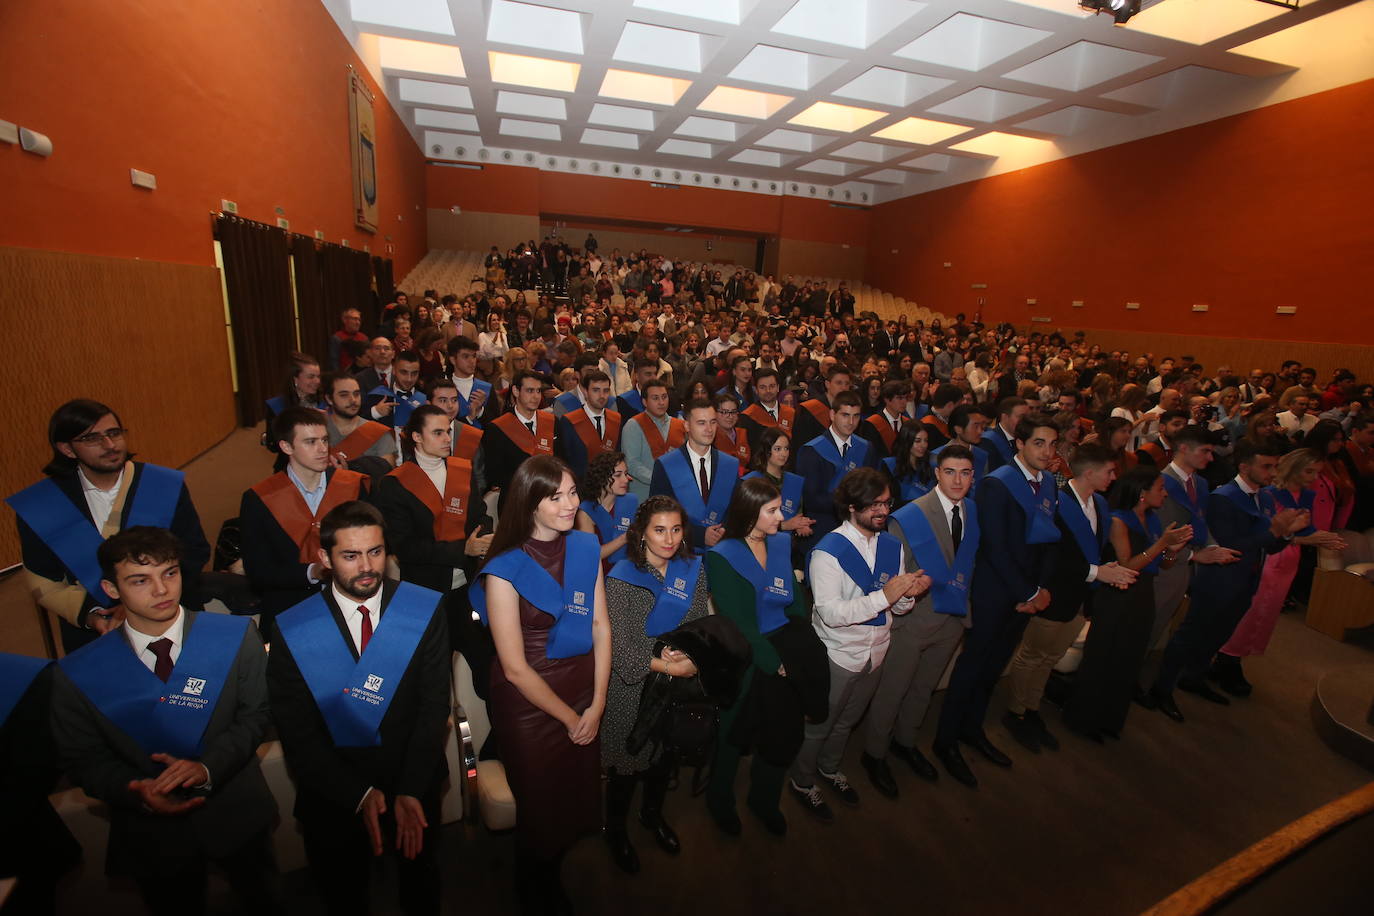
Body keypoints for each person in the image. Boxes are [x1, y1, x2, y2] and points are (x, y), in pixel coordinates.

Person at [52, 526, 279, 916]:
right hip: (151, 833)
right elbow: (83, 759)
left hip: (236, 812)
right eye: (140, 580)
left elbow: (257, 715)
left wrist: (208, 768)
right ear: (110, 589)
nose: (161, 590)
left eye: (169, 573)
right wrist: (133, 789)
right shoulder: (79, 673)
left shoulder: (235, 636)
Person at [267, 501, 450, 916]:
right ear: (324, 559)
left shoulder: (423, 608)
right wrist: (358, 793)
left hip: (413, 784)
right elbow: (297, 731)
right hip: (335, 795)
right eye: (350, 556)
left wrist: (408, 788)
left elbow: (434, 704)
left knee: (421, 891)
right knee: (344, 896)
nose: (366, 566)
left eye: (375, 552)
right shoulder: (294, 627)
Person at [468, 456, 611, 913]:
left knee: (573, 801)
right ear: (529, 503)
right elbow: (513, 668)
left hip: (584, 690)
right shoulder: (505, 567)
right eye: (556, 497)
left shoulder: (586, 547)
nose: (570, 504)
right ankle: (532, 891)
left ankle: (550, 875)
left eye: (572, 493)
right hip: (530, 705)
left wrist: (598, 704)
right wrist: (572, 718)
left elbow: (602, 629)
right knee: (539, 810)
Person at [8, 399, 211, 653]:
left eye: (114, 433)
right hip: (94, 629)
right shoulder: (42, 504)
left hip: (170, 616)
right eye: (92, 438)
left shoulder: (163, 485)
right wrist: (95, 616)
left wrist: (140, 605)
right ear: (67, 449)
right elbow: (43, 579)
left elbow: (194, 550)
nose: (110, 445)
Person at [788, 468, 928, 821]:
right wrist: (885, 596)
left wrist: (907, 596)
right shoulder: (827, 552)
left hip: (876, 649)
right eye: (873, 504)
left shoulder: (892, 546)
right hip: (838, 653)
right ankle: (802, 780)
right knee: (821, 722)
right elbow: (832, 614)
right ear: (852, 506)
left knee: (848, 720)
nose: (882, 511)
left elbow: (896, 606)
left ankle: (830, 768)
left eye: (886, 502)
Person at [933, 414, 1060, 787]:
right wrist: (1028, 592)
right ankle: (946, 741)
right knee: (972, 666)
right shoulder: (997, 484)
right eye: (1039, 443)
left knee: (993, 669)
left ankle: (972, 729)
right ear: (1019, 444)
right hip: (994, 592)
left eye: (1053, 444)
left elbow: (1051, 539)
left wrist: (1041, 589)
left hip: (1027, 595)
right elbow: (996, 548)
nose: (1047, 451)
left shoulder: (1049, 482)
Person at [1148, 441, 1310, 721]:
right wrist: (1275, 531)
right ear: (1245, 467)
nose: (1272, 473)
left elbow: (1266, 547)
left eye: (1275, 466)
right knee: (1190, 634)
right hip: (1218, 578)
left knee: (1219, 633)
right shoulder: (1225, 497)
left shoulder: (1264, 498)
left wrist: (1284, 534)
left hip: (1246, 579)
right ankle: (1162, 689)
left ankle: (1194, 677)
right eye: (1266, 466)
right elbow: (1232, 544)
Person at [704, 477, 826, 837]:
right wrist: (776, 663)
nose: (781, 516)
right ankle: (720, 800)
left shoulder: (778, 545)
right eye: (772, 510)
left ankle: (764, 800)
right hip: (745, 656)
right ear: (749, 512)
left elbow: (795, 600)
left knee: (782, 731)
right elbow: (739, 622)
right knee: (733, 734)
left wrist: (800, 647)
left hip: (783, 646)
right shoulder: (722, 556)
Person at [601, 496, 710, 872]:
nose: (669, 539)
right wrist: (665, 665)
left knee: (663, 758)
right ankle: (614, 830)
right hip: (631, 689)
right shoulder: (620, 577)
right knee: (626, 765)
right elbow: (616, 647)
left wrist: (691, 657)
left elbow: (697, 624)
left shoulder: (691, 569)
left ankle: (651, 815)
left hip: (674, 689)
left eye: (676, 530)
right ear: (641, 534)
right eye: (659, 530)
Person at [863, 445, 977, 794]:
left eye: (966, 473)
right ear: (937, 473)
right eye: (950, 472)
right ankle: (874, 753)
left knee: (923, 688)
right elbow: (891, 573)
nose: (958, 480)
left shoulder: (972, 510)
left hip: (953, 618)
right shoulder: (909, 516)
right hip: (913, 621)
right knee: (893, 691)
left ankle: (906, 741)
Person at [1064, 468, 1191, 741]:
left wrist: (1171, 551)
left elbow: (1163, 565)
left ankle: (1110, 718)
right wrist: (1161, 546)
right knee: (1103, 657)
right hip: (1117, 594)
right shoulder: (1119, 520)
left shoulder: (1153, 520)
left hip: (1143, 595)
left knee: (1129, 658)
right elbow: (1128, 565)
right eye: (1160, 488)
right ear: (1142, 494)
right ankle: (1085, 719)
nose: (1165, 493)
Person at [1215, 449, 1345, 694]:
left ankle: (1234, 658)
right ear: (1293, 468)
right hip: (1270, 556)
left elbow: (1304, 530)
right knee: (1250, 611)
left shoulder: (1306, 494)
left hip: (1289, 559)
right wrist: (1311, 539)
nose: (1314, 477)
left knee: (1266, 614)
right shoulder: (1271, 494)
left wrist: (1319, 537)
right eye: (1309, 471)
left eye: (1317, 472)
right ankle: (1227, 659)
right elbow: (1269, 534)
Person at [239, 407, 367, 631]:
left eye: (325, 440)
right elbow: (258, 571)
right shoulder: (259, 499)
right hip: (290, 609)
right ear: (286, 446)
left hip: (351, 607)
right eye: (310, 442)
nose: (322, 449)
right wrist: (311, 572)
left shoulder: (352, 486)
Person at [371, 405, 493, 595]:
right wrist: (463, 549)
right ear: (417, 437)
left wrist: (483, 539)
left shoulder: (461, 470)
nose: (447, 439)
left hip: (468, 579)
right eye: (438, 433)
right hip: (425, 585)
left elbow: (481, 516)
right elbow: (404, 547)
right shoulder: (395, 483)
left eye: (448, 431)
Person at [650, 398, 740, 552]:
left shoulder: (729, 465)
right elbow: (657, 515)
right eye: (701, 423)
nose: (709, 429)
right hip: (681, 553)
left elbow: (737, 509)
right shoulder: (666, 465)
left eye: (713, 422)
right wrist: (699, 535)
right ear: (686, 426)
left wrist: (724, 530)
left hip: (722, 551)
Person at [796, 391, 879, 541]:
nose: (851, 422)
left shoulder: (866, 448)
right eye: (845, 415)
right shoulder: (812, 450)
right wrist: (850, 504)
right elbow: (811, 499)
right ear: (832, 415)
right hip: (823, 529)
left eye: (856, 416)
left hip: (859, 528)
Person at [482, 369, 556, 496]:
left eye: (538, 391)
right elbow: (494, 474)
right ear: (516, 391)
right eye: (530, 391)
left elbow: (562, 460)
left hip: (550, 494)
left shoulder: (553, 422)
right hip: (515, 498)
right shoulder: (497, 428)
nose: (536, 396)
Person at [621, 378, 686, 501]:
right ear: (645, 402)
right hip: (644, 494)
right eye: (655, 398)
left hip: (675, 494)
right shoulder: (633, 425)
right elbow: (631, 464)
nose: (661, 402)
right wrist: (660, 479)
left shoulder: (680, 424)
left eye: (664, 397)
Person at [744, 426, 815, 537]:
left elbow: (798, 514)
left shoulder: (794, 481)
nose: (784, 454)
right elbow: (747, 522)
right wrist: (784, 525)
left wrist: (801, 525)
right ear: (766, 451)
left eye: (786, 448)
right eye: (777, 449)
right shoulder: (752, 481)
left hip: (788, 545)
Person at [322, 372, 398, 475]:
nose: (353, 400)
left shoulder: (377, 432)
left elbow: (386, 475)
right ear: (329, 399)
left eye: (356, 394)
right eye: (344, 395)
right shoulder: (317, 430)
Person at [555, 369, 622, 479]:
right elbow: (563, 459)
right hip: (580, 485)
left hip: (610, 483)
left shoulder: (616, 419)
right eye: (596, 390)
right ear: (585, 392)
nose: (602, 395)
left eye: (606, 391)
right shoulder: (569, 421)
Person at [577, 450, 639, 567]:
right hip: (600, 572)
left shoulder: (631, 501)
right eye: (618, 475)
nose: (625, 480)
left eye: (625, 474)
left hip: (628, 570)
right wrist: (624, 538)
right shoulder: (585, 512)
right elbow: (592, 555)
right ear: (601, 478)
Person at [793, 365, 851, 446]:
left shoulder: (851, 411)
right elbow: (800, 444)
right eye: (839, 383)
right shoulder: (810, 409)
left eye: (847, 384)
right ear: (827, 384)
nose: (844, 388)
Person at [739, 367, 795, 452]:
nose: (768, 391)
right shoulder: (747, 417)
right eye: (762, 387)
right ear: (756, 390)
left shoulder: (791, 413)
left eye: (772, 386)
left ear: (778, 388)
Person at [883, 422, 935, 507]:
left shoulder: (930, 465)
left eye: (925, 441)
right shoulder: (890, 466)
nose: (923, 445)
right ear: (906, 441)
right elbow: (888, 502)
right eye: (918, 441)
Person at [857, 380, 912, 461]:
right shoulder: (871, 424)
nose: (904, 402)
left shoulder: (908, 423)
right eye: (899, 398)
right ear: (887, 399)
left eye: (906, 398)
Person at [446, 336, 495, 425]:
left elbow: (497, 424)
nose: (472, 361)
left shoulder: (487, 388)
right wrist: (469, 418)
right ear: (453, 360)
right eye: (465, 356)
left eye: (474, 356)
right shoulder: (442, 389)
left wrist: (480, 411)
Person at [979, 397, 1028, 471]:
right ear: (1005, 417)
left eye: (1027, 417)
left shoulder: (1026, 438)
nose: (1025, 421)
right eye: (1021, 417)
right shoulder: (987, 442)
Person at [712, 392, 751, 471]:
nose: (729, 416)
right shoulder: (710, 437)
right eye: (724, 412)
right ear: (715, 413)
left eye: (733, 412)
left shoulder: (744, 434)